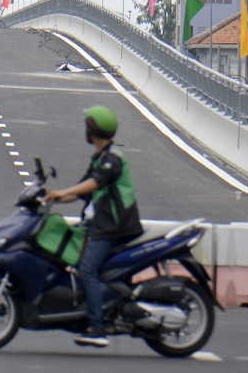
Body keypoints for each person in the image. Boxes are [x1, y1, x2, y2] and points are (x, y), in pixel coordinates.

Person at [43, 105, 143, 348]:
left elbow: (95, 183)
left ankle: (97, 328)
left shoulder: (113, 159)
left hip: (112, 227)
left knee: (87, 269)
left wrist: (64, 192)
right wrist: (51, 197)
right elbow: (80, 191)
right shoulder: (100, 158)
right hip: (98, 225)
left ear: (92, 130)